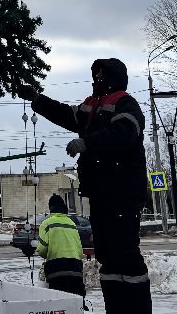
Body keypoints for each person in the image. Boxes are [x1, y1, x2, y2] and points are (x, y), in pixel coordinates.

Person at [23, 58, 151, 314]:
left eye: (101, 76)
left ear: (112, 78)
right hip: (101, 194)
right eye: (95, 76)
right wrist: (36, 99)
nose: (96, 80)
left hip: (123, 193)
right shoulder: (91, 106)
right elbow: (63, 113)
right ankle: (116, 309)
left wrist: (87, 143)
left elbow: (124, 135)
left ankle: (136, 310)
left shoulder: (124, 103)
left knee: (125, 255)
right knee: (108, 258)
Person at [37, 194, 86, 298]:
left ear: (51, 208)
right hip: (75, 268)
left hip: (56, 269)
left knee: (59, 303)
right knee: (75, 302)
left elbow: (41, 250)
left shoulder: (47, 223)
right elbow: (79, 250)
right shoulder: (72, 223)